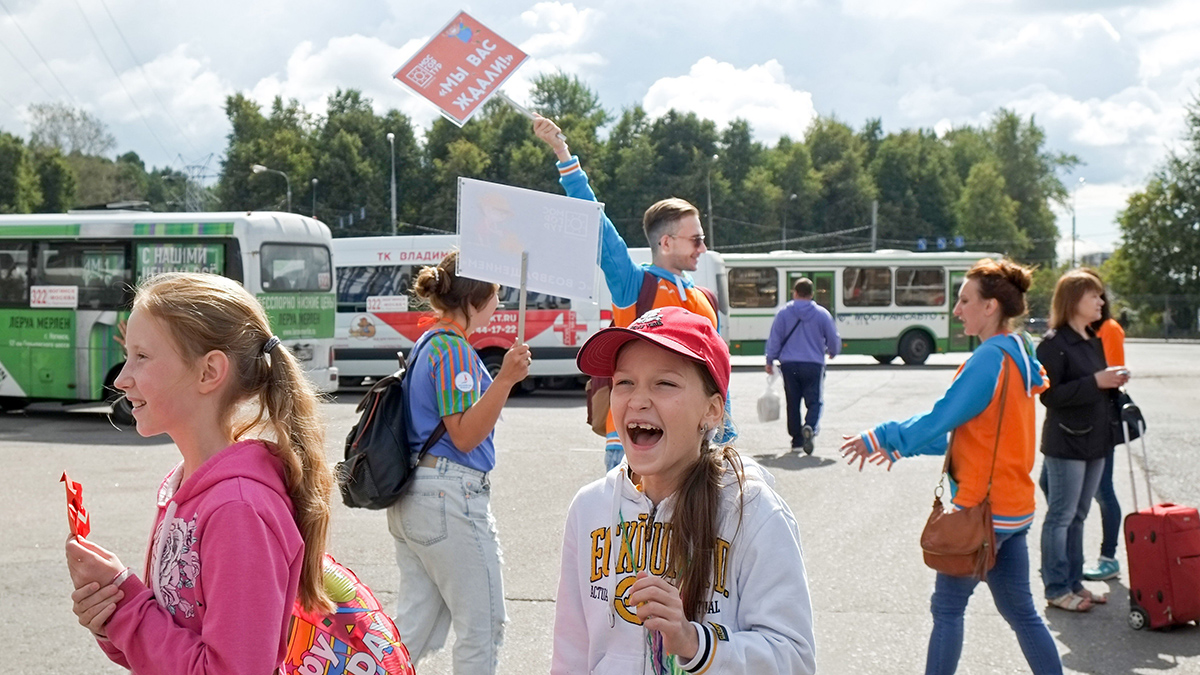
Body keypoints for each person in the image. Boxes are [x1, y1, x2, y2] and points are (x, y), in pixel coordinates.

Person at [64, 272, 335, 674]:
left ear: (209, 372)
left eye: (142, 356)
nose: (121, 378)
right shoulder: (184, 485)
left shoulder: (237, 509)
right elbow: (171, 642)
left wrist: (128, 608)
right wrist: (112, 617)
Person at [552, 306, 816, 674]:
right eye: (624, 382)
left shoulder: (752, 510)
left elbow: (793, 659)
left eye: (664, 384)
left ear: (711, 411)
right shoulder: (590, 507)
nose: (637, 400)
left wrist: (695, 642)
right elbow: (571, 652)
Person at [840, 258, 1062, 675]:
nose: (957, 309)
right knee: (1023, 614)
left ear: (991, 306)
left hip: (982, 511)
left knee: (947, 609)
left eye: (964, 300)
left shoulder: (989, 359)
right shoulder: (1019, 351)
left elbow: (942, 418)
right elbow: (974, 433)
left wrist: (883, 435)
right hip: (1013, 509)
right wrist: (903, 448)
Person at [534, 115, 729, 471]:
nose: (703, 247)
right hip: (634, 445)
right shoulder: (634, 284)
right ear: (666, 242)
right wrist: (563, 153)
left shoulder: (704, 298)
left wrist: (725, 438)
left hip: (696, 447)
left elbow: (714, 376)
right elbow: (597, 224)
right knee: (635, 531)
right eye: (696, 239)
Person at [387, 251, 531, 674]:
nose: (500, 305)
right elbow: (465, 435)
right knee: (482, 628)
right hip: (449, 495)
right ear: (475, 298)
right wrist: (504, 379)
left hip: (417, 494)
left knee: (412, 630)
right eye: (496, 295)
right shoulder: (453, 351)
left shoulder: (428, 343)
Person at [1037, 270, 1129, 612]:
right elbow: (1049, 396)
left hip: (1097, 441)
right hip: (1067, 444)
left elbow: (1097, 384)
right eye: (1095, 296)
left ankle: (1074, 583)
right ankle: (1056, 587)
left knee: (1078, 515)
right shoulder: (1053, 344)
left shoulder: (1092, 338)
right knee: (1061, 516)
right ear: (1074, 300)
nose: (1101, 302)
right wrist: (1096, 381)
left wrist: (1112, 381)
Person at [765, 277, 841, 454]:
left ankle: (796, 440)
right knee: (815, 401)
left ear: (795, 293)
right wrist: (833, 351)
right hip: (813, 364)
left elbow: (775, 338)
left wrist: (770, 360)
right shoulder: (822, 314)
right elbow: (833, 337)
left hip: (789, 364)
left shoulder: (783, 313)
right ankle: (810, 426)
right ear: (812, 294)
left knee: (793, 402)